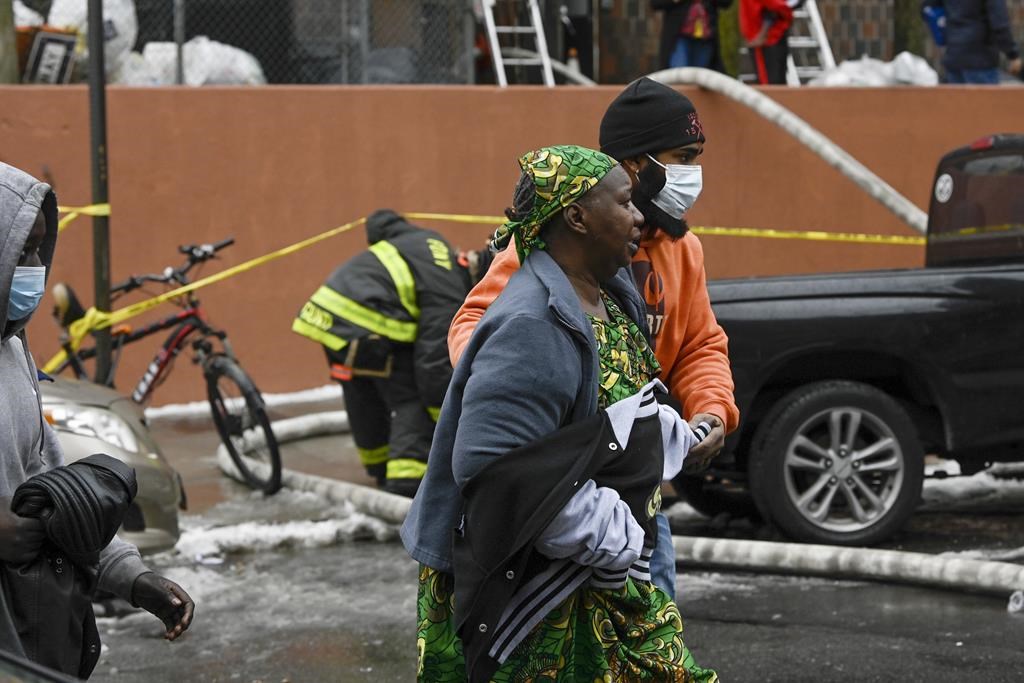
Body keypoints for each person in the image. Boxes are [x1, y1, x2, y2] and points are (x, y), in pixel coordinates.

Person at [402, 144, 717, 682]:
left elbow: (616, 401)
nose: (640, 214)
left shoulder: (610, 293)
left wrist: (668, 434)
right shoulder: (532, 322)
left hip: (602, 576)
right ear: (577, 216)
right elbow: (490, 466)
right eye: (624, 202)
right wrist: (601, 527)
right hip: (539, 592)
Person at [448, 77, 739, 601]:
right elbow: (478, 332)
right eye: (682, 156)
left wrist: (711, 412)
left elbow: (699, 345)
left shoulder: (682, 248)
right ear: (634, 164)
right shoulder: (554, 247)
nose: (693, 174)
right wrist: (542, 417)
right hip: (562, 503)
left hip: (636, 498)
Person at [0, 162, 194, 675]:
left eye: (40, 247)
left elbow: (49, 488)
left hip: (30, 627)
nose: (36, 265)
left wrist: (130, 575)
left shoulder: (14, 352)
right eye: (22, 250)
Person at [292, 210, 490, 498]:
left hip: (330, 320)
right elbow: (434, 361)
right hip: (366, 323)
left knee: (363, 388)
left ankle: (378, 466)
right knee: (409, 387)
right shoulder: (447, 279)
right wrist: (448, 414)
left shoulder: (426, 244)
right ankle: (406, 482)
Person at [923, 0, 1022, 84]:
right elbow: (1000, 23)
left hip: (954, 56)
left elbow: (927, 8)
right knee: (984, 105)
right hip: (981, 59)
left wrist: (944, 32)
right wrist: (1012, 55)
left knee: (956, 105)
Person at [652, 0, 734, 71]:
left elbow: (726, 3)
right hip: (678, 37)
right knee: (679, 75)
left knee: (700, 79)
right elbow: (655, 3)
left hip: (705, 38)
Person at [739, 0, 793, 84]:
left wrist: (762, 34)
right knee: (771, 81)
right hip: (765, 36)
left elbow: (774, 7)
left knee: (770, 82)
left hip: (768, 38)